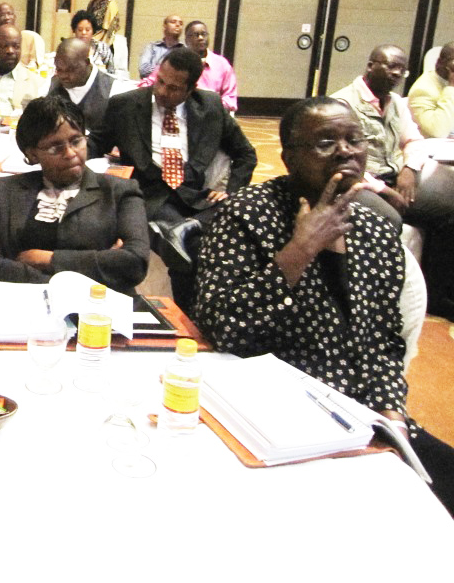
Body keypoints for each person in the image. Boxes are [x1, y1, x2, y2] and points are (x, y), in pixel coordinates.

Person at [194, 98, 454, 514]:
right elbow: (224, 328)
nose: (346, 152)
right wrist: (301, 249)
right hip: (272, 416)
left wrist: (394, 424)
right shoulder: (246, 215)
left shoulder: (375, 230)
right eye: (326, 142)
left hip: (364, 419)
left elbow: (384, 344)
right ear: (289, 158)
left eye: (354, 140)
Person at [87, 47, 256, 313]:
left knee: (239, 218)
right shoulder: (126, 105)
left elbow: (246, 154)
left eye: (174, 88)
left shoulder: (211, 106)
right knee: (191, 246)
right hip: (150, 194)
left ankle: (187, 231)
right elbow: (96, 142)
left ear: (191, 89)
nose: (163, 91)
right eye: (160, 81)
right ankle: (187, 315)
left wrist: (231, 192)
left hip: (196, 196)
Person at [0, 96, 148, 292]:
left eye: (76, 141)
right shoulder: (4, 191)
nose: (71, 153)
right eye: (56, 147)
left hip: (100, 309)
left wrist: (47, 259)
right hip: (22, 304)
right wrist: (100, 266)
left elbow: (135, 263)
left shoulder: (120, 192)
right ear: (32, 154)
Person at [331, 44, 454, 320]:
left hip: (395, 176)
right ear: (370, 65)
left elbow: (414, 141)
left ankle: (436, 295)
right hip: (355, 182)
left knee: (450, 209)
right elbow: (342, 160)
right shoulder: (342, 104)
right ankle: (375, 303)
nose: (396, 73)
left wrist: (409, 169)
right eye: (389, 66)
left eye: (401, 69)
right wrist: (383, 189)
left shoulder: (397, 102)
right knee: (390, 216)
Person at [142, 20, 239, 113]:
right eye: (196, 35)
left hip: (210, 115)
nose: (201, 38)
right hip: (176, 113)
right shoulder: (173, 59)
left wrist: (209, 105)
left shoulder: (221, 64)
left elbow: (230, 99)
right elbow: (150, 83)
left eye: (204, 34)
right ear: (186, 40)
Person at [46, 37, 112, 132]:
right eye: (59, 69)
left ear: (87, 63)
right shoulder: (51, 84)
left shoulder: (112, 90)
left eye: (70, 70)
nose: (63, 76)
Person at [0, 2, 46, 70]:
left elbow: (34, 66)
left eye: (9, 14)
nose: (7, 18)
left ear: (14, 17)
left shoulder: (30, 39)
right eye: (2, 15)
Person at [408, 41, 454, 138]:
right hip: (431, 148)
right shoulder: (422, 89)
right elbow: (437, 132)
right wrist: (451, 88)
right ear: (439, 63)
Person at [70, 9, 127, 83]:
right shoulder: (68, 49)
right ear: (74, 31)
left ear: (93, 31)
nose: (84, 33)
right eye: (80, 30)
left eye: (87, 30)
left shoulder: (102, 48)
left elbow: (111, 72)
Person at [137, 14, 184, 80]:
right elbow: (143, 71)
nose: (178, 25)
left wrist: (158, 69)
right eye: (173, 22)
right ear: (165, 26)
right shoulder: (151, 47)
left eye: (181, 23)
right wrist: (170, 71)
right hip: (151, 86)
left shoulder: (185, 50)